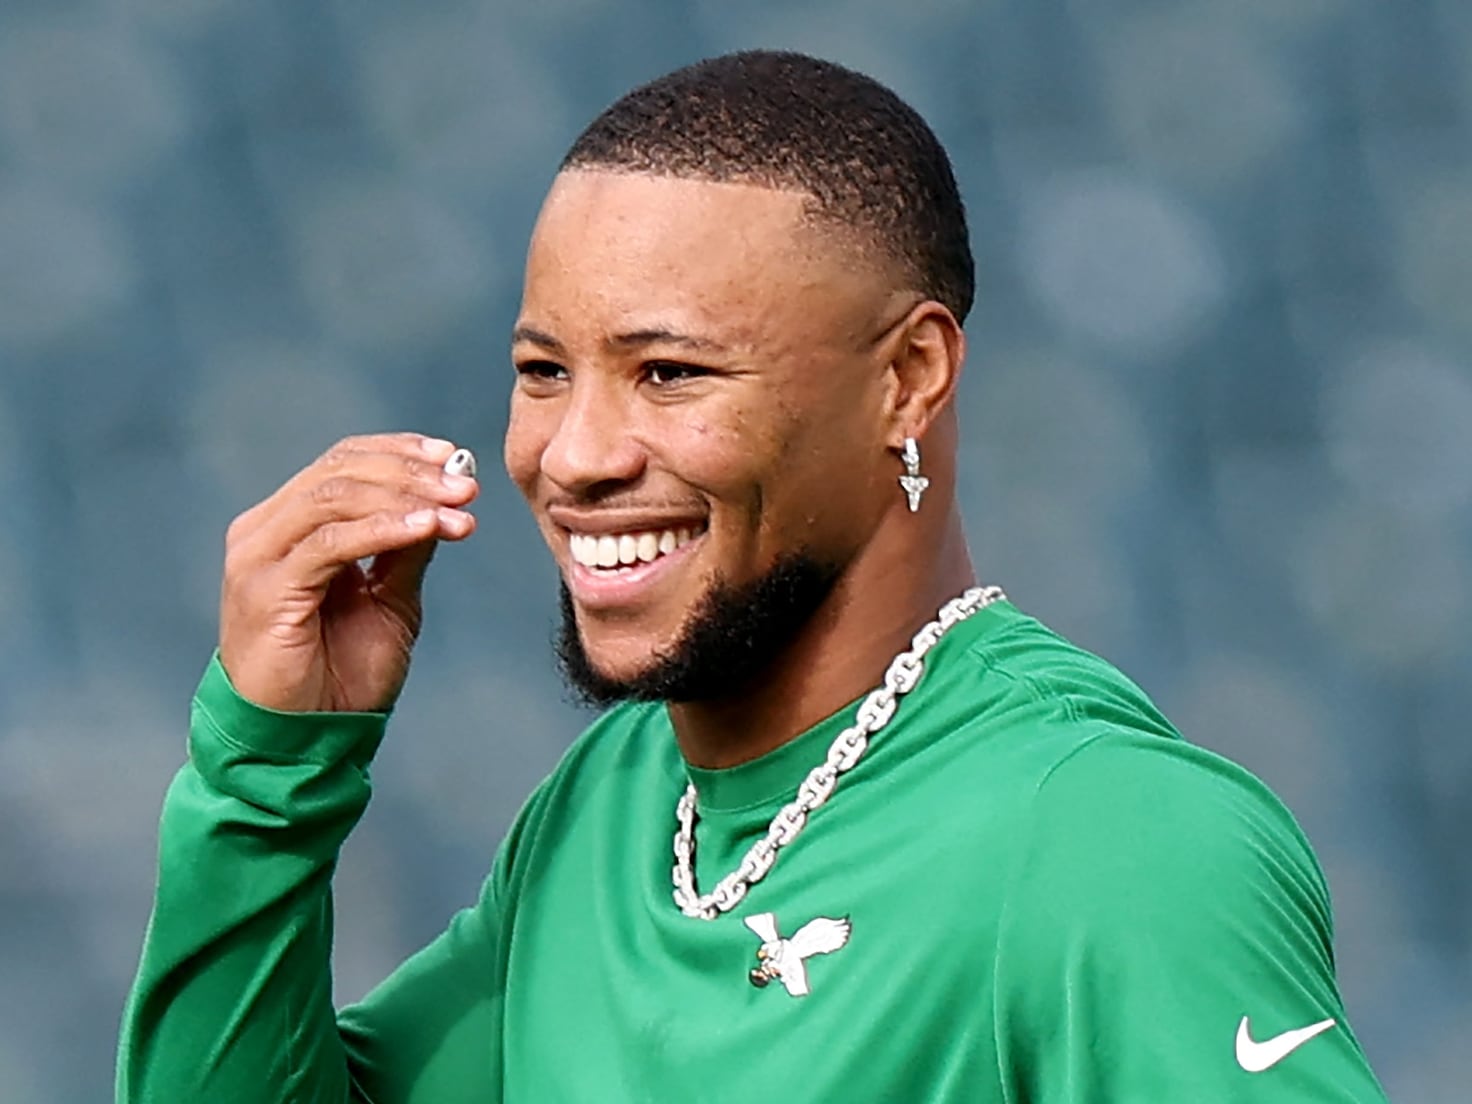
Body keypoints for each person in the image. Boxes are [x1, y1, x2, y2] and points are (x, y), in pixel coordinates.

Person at [117, 51, 1388, 1102]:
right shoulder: (614, 803)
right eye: (544, 371)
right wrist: (266, 775)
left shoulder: (1109, 842)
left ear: (907, 379)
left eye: (669, 373)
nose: (576, 455)